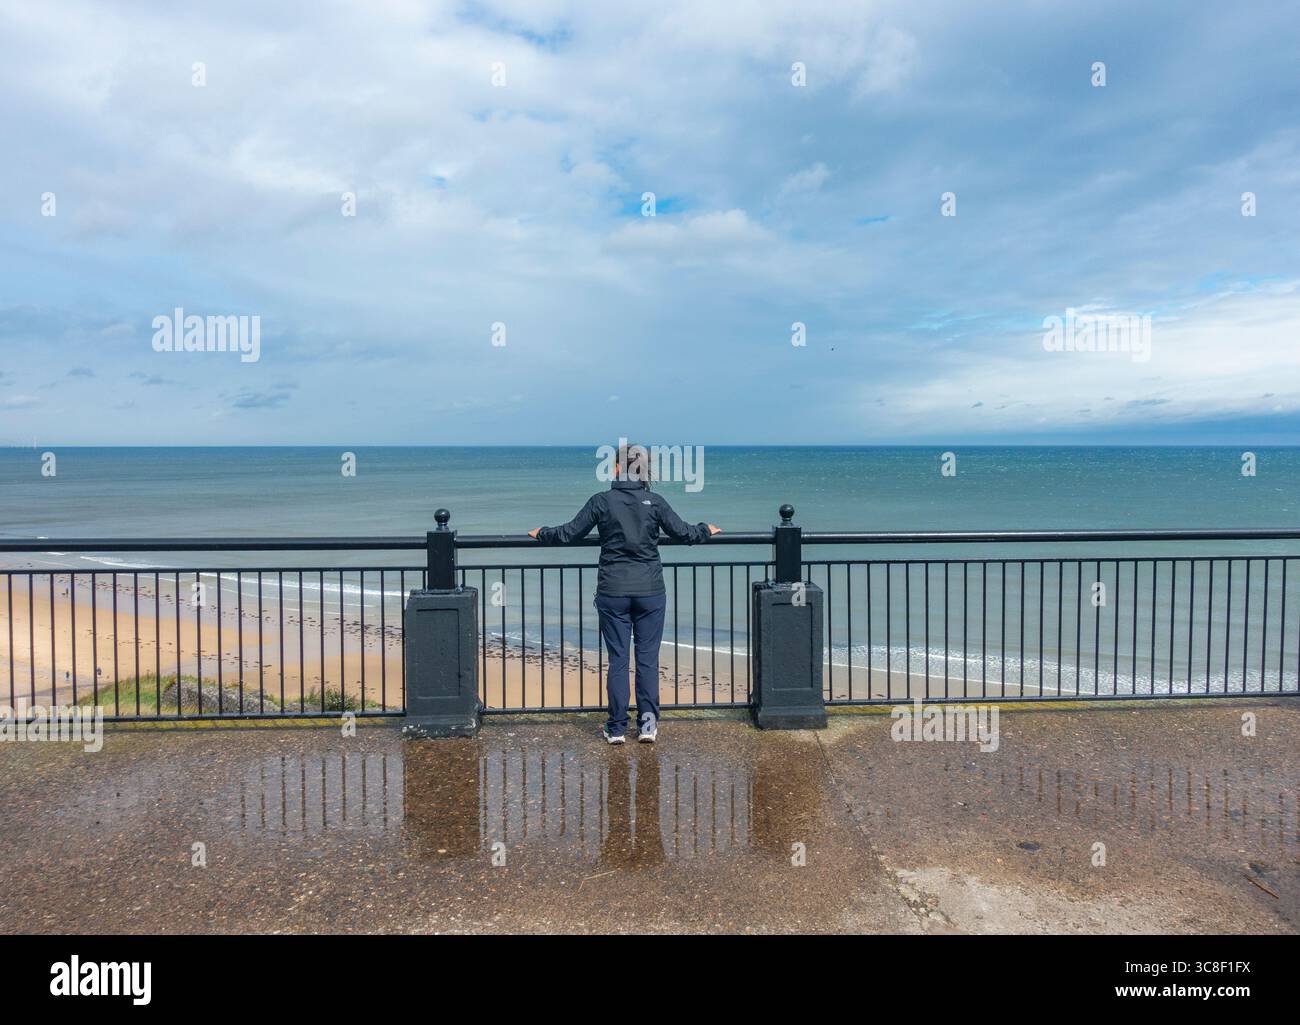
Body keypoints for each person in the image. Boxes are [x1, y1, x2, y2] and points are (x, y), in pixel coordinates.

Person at [529, 442, 720, 744]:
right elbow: (684, 533)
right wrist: (706, 530)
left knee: (618, 659)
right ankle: (647, 726)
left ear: (617, 468)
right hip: (650, 592)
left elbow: (568, 533)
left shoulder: (601, 502)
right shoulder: (655, 502)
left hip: (613, 591)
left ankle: (616, 727)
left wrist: (542, 533)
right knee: (647, 660)